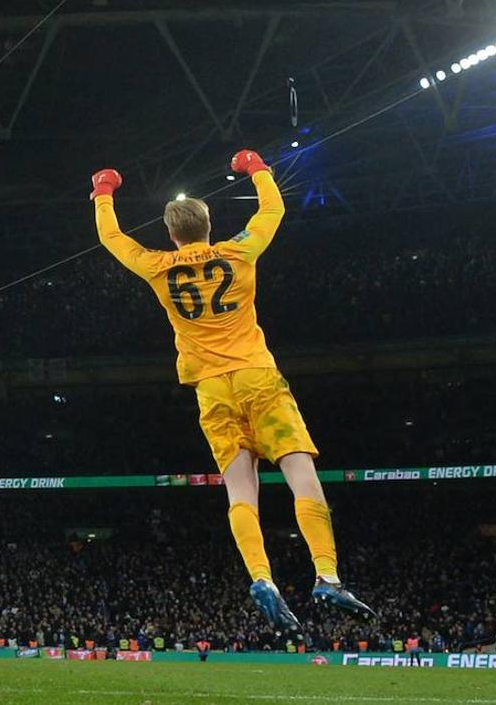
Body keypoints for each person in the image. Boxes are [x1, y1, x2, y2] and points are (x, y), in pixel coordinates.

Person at [89, 154, 376, 634]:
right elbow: (272, 211)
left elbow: (112, 238)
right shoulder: (238, 251)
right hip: (258, 377)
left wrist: (103, 193)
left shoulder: (158, 266)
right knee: (302, 475)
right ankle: (326, 574)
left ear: (171, 234)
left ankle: (261, 577)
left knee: (242, 491)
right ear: (209, 225)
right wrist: (258, 168)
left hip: (211, 388)